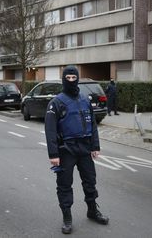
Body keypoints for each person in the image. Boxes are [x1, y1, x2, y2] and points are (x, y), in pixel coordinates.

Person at [45, 66, 109, 234]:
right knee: (64, 185)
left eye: (74, 78)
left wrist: (95, 146)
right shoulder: (56, 103)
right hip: (66, 149)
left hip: (85, 148)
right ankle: (67, 217)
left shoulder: (84, 99)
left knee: (90, 181)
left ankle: (92, 210)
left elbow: (93, 124)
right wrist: (53, 154)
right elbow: (50, 130)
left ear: (78, 78)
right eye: (69, 78)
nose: (71, 81)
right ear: (64, 79)